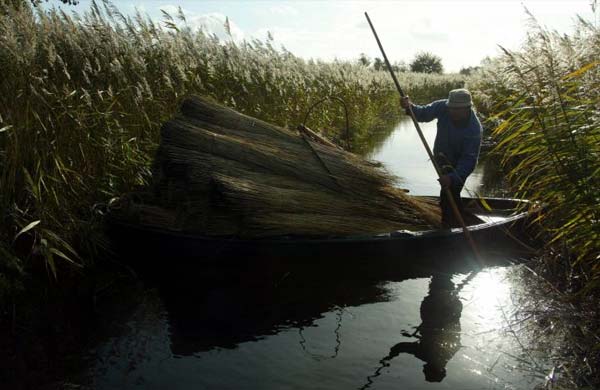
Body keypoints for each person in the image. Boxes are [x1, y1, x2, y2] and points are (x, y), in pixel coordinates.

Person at [400, 89, 482, 228]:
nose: (452, 112)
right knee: (449, 194)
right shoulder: (443, 106)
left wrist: (452, 177)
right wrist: (410, 107)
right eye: (451, 108)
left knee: (450, 191)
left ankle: (451, 225)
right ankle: (455, 221)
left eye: (457, 109)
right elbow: (423, 114)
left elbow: (469, 160)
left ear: (467, 108)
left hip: (458, 164)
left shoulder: (474, 129)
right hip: (441, 157)